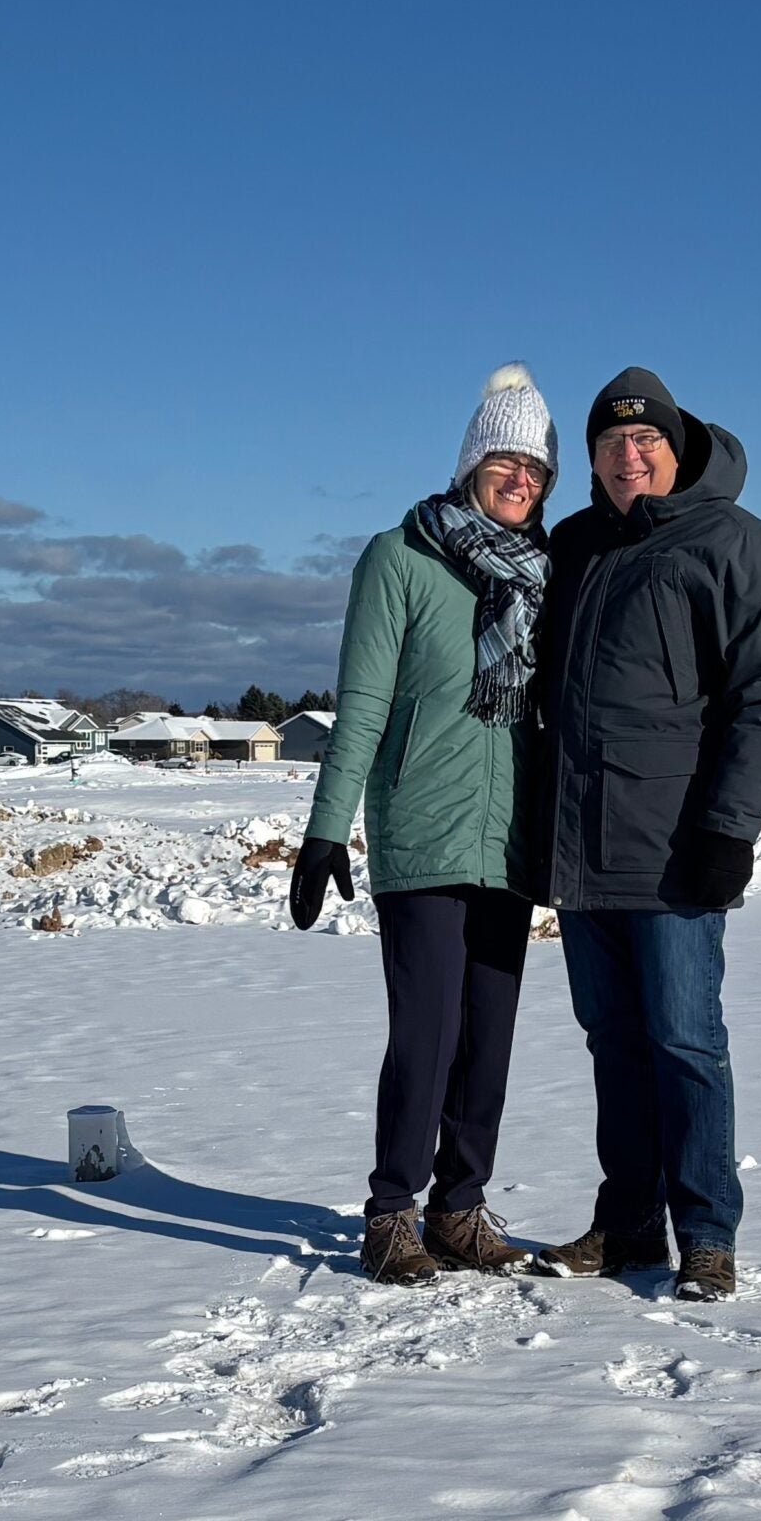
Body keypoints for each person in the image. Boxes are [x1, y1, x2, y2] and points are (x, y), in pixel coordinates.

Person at [530, 368, 761, 1300]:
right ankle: (627, 1226)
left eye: (645, 440)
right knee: (614, 1042)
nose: (628, 455)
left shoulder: (735, 542)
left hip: (677, 846)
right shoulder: (573, 546)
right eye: (611, 444)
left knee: (687, 1040)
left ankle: (707, 1234)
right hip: (583, 850)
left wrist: (732, 825)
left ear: (678, 446)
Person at [290, 364, 558, 1285]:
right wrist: (327, 827)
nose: (520, 478)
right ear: (471, 462)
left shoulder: (542, 575)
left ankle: (459, 1208)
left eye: (536, 467)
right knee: (428, 1033)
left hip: (510, 841)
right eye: (505, 460)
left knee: (490, 1036)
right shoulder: (398, 557)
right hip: (422, 831)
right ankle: (391, 1211)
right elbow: (363, 703)